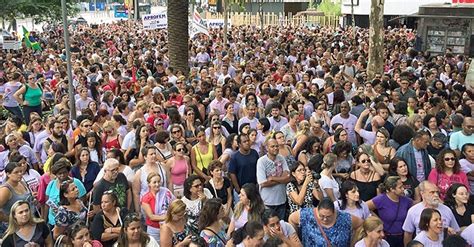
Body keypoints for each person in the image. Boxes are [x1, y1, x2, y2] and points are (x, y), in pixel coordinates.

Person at [402, 181, 460, 246]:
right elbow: (408, 234)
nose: (436, 195)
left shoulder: (447, 210)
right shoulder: (413, 211)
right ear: (422, 194)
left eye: (437, 192)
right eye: (432, 192)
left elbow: (456, 231)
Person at [288, 197, 363, 247]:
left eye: (328, 216)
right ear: (317, 210)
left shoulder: (344, 218)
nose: (325, 219)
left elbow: (361, 224)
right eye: (321, 216)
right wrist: (295, 238)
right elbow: (292, 219)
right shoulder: (306, 215)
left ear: (334, 212)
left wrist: (353, 243)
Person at [367, 176, 413, 247]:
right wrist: (377, 220)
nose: (403, 189)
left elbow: (415, 207)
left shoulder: (406, 200)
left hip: (403, 237)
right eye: (400, 187)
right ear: (392, 189)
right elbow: (365, 207)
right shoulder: (381, 199)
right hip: (387, 237)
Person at [257, 138, 291, 220]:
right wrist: (281, 180)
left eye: (277, 146)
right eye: (272, 146)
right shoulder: (261, 161)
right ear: (267, 148)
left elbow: (288, 177)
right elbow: (263, 183)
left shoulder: (281, 158)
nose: (275, 148)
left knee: (281, 224)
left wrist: (272, 178)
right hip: (267, 202)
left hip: (281, 200)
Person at [133, 145, 172, 212]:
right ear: (145, 157)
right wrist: (138, 210)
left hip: (163, 203)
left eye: (154, 153)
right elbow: (136, 193)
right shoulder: (140, 173)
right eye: (151, 154)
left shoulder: (163, 167)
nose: (154, 156)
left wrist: (171, 199)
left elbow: (169, 182)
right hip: (148, 206)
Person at [141, 172, 175, 242]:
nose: (157, 184)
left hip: (168, 226)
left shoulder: (166, 192)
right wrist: (168, 216)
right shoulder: (145, 198)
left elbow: (174, 204)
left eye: (159, 182)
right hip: (154, 230)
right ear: (149, 184)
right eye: (154, 182)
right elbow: (151, 217)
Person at [228, 134, 260, 204]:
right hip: (241, 190)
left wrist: (258, 183)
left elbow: (258, 168)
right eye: (244, 141)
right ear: (239, 144)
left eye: (248, 140)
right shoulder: (234, 157)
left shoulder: (254, 153)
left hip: (254, 189)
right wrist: (238, 189)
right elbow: (232, 173)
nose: (247, 143)